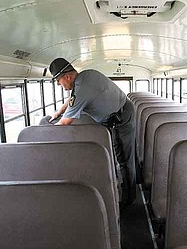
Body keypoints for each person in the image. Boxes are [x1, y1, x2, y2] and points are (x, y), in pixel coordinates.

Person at [45, 57, 136, 206]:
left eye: (58, 81)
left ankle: (128, 199)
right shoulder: (85, 77)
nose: (58, 84)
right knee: (125, 154)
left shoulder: (83, 88)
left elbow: (66, 122)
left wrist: (44, 135)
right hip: (121, 110)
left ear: (67, 77)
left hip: (121, 116)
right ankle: (128, 185)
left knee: (124, 158)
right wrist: (58, 112)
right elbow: (72, 99)